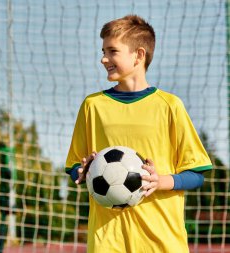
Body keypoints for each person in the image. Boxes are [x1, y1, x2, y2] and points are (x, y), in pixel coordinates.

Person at [65, 15, 212, 253]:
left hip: (162, 241)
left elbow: (197, 173)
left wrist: (162, 181)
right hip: (107, 240)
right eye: (102, 51)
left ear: (139, 55)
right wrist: (82, 172)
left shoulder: (169, 106)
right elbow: (74, 166)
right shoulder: (93, 106)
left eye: (112, 51)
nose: (104, 59)